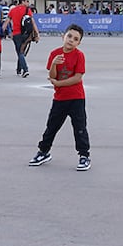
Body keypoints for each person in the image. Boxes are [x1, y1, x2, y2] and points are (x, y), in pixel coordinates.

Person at [28, 24, 91, 171]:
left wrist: (59, 83)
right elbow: (52, 76)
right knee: (52, 126)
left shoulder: (79, 55)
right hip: (60, 99)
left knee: (80, 127)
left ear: (79, 43)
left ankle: (84, 155)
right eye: (69, 36)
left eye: (75, 39)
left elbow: (77, 77)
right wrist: (54, 64)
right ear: (63, 36)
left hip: (76, 98)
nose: (71, 40)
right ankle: (43, 152)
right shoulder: (55, 54)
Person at [8, 0, 40, 78]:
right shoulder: (27, 10)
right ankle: (19, 69)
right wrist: (37, 34)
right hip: (26, 34)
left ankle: (25, 70)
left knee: (20, 52)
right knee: (21, 52)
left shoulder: (13, 10)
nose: (28, 3)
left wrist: (2, 32)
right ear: (22, 1)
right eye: (27, 1)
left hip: (16, 34)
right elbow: (33, 23)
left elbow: (7, 21)